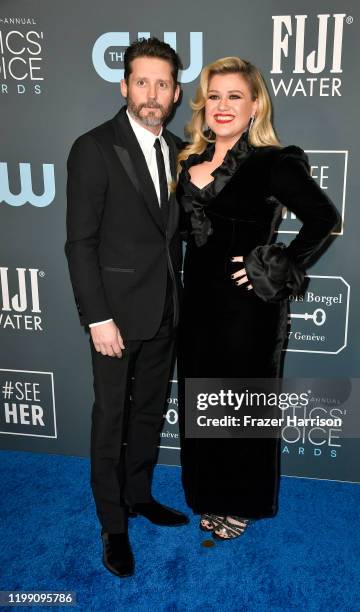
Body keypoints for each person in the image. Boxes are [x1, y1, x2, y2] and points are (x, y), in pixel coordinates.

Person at [177, 57, 341, 540]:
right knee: (204, 403)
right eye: (215, 95)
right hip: (198, 306)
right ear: (203, 105)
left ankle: (241, 503)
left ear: (254, 106)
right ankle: (209, 493)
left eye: (235, 96)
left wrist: (275, 266)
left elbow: (322, 217)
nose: (223, 106)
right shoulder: (187, 162)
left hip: (248, 311)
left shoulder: (273, 161)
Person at [65, 38, 189, 578]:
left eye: (162, 83)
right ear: (124, 86)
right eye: (142, 81)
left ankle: (139, 495)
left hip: (165, 311)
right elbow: (80, 244)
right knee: (110, 419)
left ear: (177, 93)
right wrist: (98, 318)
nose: (152, 93)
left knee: (147, 413)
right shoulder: (93, 147)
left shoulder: (182, 151)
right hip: (114, 317)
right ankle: (112, 525)